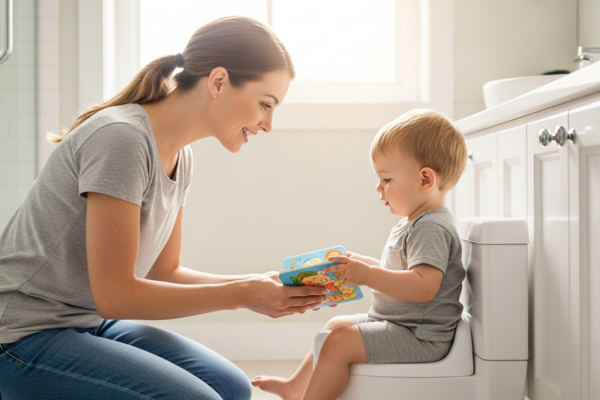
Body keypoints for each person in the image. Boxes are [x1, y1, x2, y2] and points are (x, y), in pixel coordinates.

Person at [0, 17, 330, 400]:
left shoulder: (181, 156)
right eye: (265, 104)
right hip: (21, 334)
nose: (267, 124)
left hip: (87, 321)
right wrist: (240, 294)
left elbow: (164, 270)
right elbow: (117, 296)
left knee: (232, 388)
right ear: (219, 81)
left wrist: (259, 284)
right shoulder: (121, 139)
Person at [252, 109, 468, 400]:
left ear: (426, 179)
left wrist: (366, 275)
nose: (378, 188)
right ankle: (295, 387)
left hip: (421, 336)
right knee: (335, 326)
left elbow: (423, 286)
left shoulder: (431, 227)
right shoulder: (415, 222)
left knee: (340, 342)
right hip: (402, 324)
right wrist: (364, 264)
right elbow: (403, 274)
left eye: (387, 179)